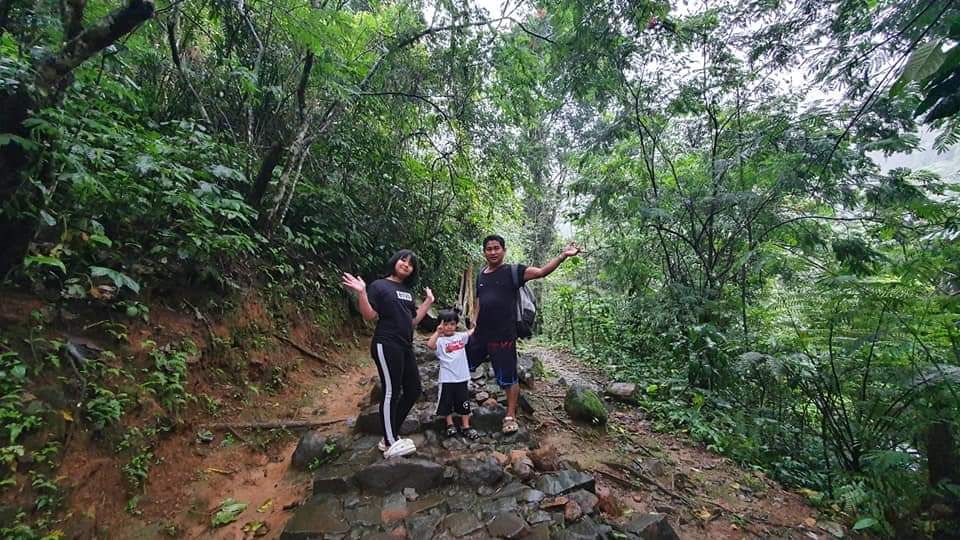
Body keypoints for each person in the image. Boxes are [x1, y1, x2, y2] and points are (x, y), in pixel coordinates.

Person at [469, 235, 580, 433]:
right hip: (480, 334)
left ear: (504, 250)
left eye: (496, 248)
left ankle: (510, 414)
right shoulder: (481, 275)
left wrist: (563, 256)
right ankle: (459, 409)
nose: (493, 252)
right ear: (484, 252)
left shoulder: (514, 271)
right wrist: (474, 323)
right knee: (464, 363)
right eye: (489, 249)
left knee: (508, 377)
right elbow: (479, 301)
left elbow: (541, 272)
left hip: (503, 336)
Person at [342, 249, 434, 458]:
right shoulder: (379, 286)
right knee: (392, 390)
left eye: (410, 264)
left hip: (405, 345)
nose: (406, 265)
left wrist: (428, 302)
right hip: (386, 343)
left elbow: (412, 321)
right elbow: (369, 315)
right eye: (403, 260)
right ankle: (392, 440)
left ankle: (388, 437)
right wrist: (362, 293)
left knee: (413, 390)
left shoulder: (407, 292)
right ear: (395, 261)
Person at [426, 309, 480, 440]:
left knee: (464, 403)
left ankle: (465, 426)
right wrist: (438, 333)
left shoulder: (460, 336)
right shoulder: (439, 340)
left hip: (462, 377)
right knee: (446, 402)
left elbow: (473, 331)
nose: (449, 327)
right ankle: (450, 424)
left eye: (452, 324)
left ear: (456, 325)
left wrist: (478, 321)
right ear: (440, 325)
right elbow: (429, 345)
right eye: (445, 324)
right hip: (447, 378)